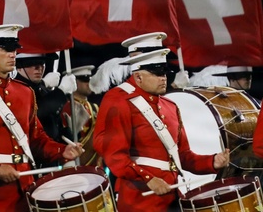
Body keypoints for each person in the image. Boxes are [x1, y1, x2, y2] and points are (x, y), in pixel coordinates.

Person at [0, 24, 84, 212]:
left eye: (13, 49)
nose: (12, 54)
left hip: (27, 186)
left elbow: (36, 139)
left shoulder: (25, 92)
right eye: (5, 49)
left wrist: (62, 150)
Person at [93, 48, 230, 212]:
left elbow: (182, 156)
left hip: (172, 197)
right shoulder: (121, 102)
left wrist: (212, 161)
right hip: (139, 200)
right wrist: (149, 179)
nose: (163, 78)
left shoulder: (170, 107)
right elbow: (115, 155)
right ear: (138, 76)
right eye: (157, 73)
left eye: (165, 72)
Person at [13, 52, 71, 150]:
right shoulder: (14, 89)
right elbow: (36, 112)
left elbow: (55, 126)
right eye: (33, 63)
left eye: (42, 63)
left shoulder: (44, 90)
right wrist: (61, 91)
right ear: (19, 67)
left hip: (51, 153)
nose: (39, 68)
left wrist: (70, 132)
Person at [61, 65, 101, 166]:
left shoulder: (95, 107)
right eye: (85, 80)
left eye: (90, 80)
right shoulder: (65, 107)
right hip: (74, 161)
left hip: (95, 163)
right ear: (73, 82)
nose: (89, 84)